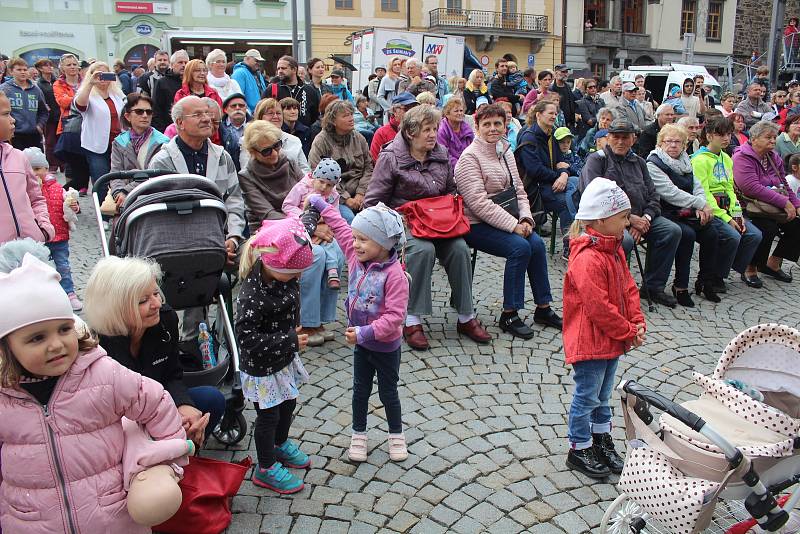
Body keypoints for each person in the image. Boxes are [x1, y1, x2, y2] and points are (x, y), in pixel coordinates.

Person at [0, 247, 189, 533]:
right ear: (8, 347)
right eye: (37, 337)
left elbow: (154, 399)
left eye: (64, 329)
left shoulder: (101, 372)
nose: (56, 344)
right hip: (33, 519)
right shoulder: (5, 397)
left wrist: (162, 461)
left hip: (110, 516)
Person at [365, 105, 491, 350]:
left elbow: (451, 188)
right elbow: (374, 201)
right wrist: (396, 219)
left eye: (434, 128)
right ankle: (412, 319)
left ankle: (466, 316)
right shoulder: (391, 157)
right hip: (405, 222)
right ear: (411, 133)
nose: (433, 134)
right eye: (427, 130)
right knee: (422, 250)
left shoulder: (440, 153)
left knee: (459, 249)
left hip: (439, 223)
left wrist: (450, 209)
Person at [307, 195, 410, 462]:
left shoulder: (395, 275)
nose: (355, 244)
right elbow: (340, 226)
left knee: (389, 392)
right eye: (355, 238)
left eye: (363, 239)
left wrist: (364, 332)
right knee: (360, 391)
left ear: (384, 244)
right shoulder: (354, 257)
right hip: (362, 346)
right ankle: (358, 435)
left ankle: (396, 435)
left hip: (385, 346)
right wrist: (320, 204)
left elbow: (395, 317)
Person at [85, 256, 225, 449]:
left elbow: (172, 374)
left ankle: (184, 458)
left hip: (159, 402)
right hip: (121, 423)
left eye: (156, 293)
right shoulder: (96, 346)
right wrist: (165, 419)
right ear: (116, 308)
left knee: (211, 399)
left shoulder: (165, 321)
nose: (157, 304)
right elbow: (105, 412)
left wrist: (183, 405)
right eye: (143, 300)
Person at [456, 103, 562, 339]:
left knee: (536, 244)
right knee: (520, 247)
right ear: (477, 126)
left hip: (509, 217)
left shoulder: (505, 151)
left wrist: (525, 218)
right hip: (475, 224)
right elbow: (478, 204)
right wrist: (513, 226)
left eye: (497, 124)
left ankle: (543, 307)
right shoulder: (469, 158)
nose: (493, 129)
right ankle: (509, 313)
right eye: (487, 124)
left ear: (505, 126)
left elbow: (520, 192)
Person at [562, 178, 644, 478]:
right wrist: (627, 330)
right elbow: (599, 308)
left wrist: (637, 321)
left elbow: (628, 287)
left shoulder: (615, 249)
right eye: (623, 217)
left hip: (611, 339)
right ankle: (579, 447)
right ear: (601, 219)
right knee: (587, 395)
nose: (627, 222)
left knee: (603, 394)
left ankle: (600, 439)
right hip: (591, 341)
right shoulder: (587, 258)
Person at [235, 216, 315, 494]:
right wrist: (289, 338)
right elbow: (246, 339)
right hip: (262, 367)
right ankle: (265, 467)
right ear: (271, 263)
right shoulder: (251, 296)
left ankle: (280, 444)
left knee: (289, 404)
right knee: (268, 416)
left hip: (282, 359)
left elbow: (304, 225)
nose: (298, 278)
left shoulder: (282, 276)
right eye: (294, 273)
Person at [148, 96, 246, 319]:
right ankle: (194, 342)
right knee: (196, 272)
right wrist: (211, 248)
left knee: (257, 260)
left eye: (208, 113)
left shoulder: (222, 156)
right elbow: (162, 216)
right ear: (180, 123)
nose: (207, 119)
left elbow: (234, 201)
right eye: (198, 115)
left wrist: (232, 238)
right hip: (184, 245)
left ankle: (237, 325)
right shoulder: (162, 162)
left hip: (223, 239)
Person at [580, 118, 682, 308]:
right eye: (616, 137)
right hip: (608, 221)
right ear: (608, 138)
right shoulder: (597, 160)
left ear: (633, 139)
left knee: (671, 231)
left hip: (642, 218)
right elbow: (593, 199)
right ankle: (613, 289)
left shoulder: (639, 163)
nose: (620, 141)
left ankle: (653, 287)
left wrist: (646, 218)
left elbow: (653, 196)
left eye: (625, 137)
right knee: (624, 240)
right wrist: (628, 220)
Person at [646, 124, 720, 306]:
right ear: (660, 143)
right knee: (687, 234)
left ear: (685, 145)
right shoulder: (653, 163)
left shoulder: (686, 161)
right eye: (668, 141)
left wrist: (702, 206)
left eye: (677, 142)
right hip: (665, 211)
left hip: (688, 211)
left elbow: (698, 187)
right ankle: (680, 286)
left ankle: (705, 281)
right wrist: (700, 204)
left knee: (711, 233)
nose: (672, 145)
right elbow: (670, 193)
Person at [691, 115, 763, 290]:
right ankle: (716, 275)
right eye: (720, 134)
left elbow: (730, 189)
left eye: (728, 134)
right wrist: (726, 218)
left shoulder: (726, 158)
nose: (726, 138)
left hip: (728, 207)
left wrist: (737, 214)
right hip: (710, 208)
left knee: (754, 235)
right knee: (732, 236)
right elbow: (704, 193)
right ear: (709, 136)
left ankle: (726, 267)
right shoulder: (699, 160)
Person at [733, 120, 800, 283]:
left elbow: (783, 183)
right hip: (749, 206)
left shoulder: (772, 156)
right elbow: (751, 187)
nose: (772, 140)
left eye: (774, 137)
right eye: (768, 137)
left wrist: (796, 205)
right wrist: (785, 203)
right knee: (767, 228)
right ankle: (751, 267)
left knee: (797, 225)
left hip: (772, 205)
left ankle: (773, 263)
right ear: (754, 138)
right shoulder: (741, 156)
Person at [517, 100, 579, 257]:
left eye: (556, 113)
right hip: (534, 189)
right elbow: (534, 170)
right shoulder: (529, 137)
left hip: (551, 183)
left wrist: (564, 174)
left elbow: (563, 163)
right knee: (569, 200)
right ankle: (570, 246)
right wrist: (560, 174)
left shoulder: (552, 134)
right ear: (538, 114)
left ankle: (577, 240)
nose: (554, 116)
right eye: (550, 113)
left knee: (576, 184)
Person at [23, 146, 81, 310]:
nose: (34, 174)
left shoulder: (57, 188)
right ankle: (45, 297)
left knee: (63, 265)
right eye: (30, 170)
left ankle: (69, 293)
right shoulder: (25, 190)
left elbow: (68, 205)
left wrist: (74, 207)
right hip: (37, 237)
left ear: (46, 168)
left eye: (37, 169)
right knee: (40, 268)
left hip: (59, 236)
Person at [282, 158, 346, 290]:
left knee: (331, 243)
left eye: (329, 185)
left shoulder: (333, 195)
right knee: (318, 251)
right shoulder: (302, 187)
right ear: (314, 176)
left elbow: (335, 214)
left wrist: (327, 220)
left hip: (324, 227)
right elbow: (287, 205)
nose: (324, 187)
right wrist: (303, 216)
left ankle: (332, 270)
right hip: (302, 226)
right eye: (321, 182)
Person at [308, 100, 373, 224]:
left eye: (351, 114)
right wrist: (345, 198)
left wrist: (361, 193)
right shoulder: (321, 142)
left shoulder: (359, 138)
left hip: (362, 192)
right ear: (333, 121)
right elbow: (318, 175)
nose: (351, 119)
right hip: (333, 196)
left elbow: (369, 167)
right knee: (350, 222)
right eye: (345, 116)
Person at [74, 61, 125, 202]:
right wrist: (90, 83)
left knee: (119, 179)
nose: (103, 79)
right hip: (96, 145)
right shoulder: (87, 94)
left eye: (106, 74)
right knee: (101, 179)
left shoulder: (117, 93)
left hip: (118, 143)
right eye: (99, 75)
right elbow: (80, 105)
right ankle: (103, 214)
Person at [109, 94, 170, 203]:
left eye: (149, 112)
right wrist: (118, 193)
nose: (145, 115)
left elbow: (154, 176)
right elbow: (115, 172)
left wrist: (126, 190)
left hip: (152, 197)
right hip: (123, 198)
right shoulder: (118, 142)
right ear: (127, 116)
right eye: (139, 111)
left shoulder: (163, 142)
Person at [52, 53, 91, 194]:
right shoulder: (58, 84)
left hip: (88, 125)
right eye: (68, 64)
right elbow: (63, 102)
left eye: (74, 64)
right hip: (69, 128)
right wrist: (83, 97)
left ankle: (79, 190)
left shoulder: (86, 81)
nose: (72, 67)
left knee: (86, 163)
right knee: (72, 166)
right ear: (62, 68)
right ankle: (67, 197)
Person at [242, 98, 310, 174]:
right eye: (270, 113)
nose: (275, 116)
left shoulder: (294, 140)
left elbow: (305, 169)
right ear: (260, 117)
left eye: (278, 113)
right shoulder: (248, 141)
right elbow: (246, 172)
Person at [0, 57, 47, 150]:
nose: (23, 72)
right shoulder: (4, 89)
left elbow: (44, 111)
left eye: (25, 69)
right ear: (11, 71)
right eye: (19, 70)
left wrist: (39, 126)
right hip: (14, 135)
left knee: (36, 163)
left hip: (33, 135)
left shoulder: (36, 90)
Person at [265, 56, 318, 126]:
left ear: (294, 69)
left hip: (304, 134)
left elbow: (315, 116)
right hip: (278, 133)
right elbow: (263, 113)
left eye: (283, 68)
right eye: (278, 68)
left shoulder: (309, 90)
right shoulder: (272, 89)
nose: (280, 71)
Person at [370, 92, 416, 161]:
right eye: (406, 109)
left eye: (414, 109)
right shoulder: (382, 133)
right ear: (394, 111)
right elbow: (375, 161)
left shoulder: (419, 131)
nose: (411, 113)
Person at [151, 50, 188, 132]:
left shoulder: (191, 82)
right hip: (169, 130)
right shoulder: (162, 83)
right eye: (180, 62)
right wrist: (162, 131)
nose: (183, 65)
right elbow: (156, 110)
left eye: (186, 62)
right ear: (172, 65)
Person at [34, 58, 61, 172]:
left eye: (50, 65)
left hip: (60, 115)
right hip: (48, 117)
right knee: (50, 142)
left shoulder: (57, 81)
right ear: (40, 69)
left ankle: (63, 163)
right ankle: (53, 165)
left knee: (61, 140)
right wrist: (44, 105)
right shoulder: (39, 84)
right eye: (46, 65)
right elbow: (39, 99)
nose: (49, 67)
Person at [436, 97, 473, 169]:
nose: (460, 113)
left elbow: (473, 148)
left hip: (469, 164)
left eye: (461, 111)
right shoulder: (442, 131)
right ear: (447, 114)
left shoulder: (467, 128)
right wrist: (461, 166)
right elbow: (444, 154)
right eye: (456, 111)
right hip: (451, 168)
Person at [219, 92, 250, 172]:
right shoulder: (218, 128)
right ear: (225, 110)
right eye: (233, 106)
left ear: (246, 108)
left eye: (241, 106)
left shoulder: (256, 125)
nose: (237, 108)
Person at [231, 49, 267, 113]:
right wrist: (248, 113)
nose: (259, 63)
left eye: (260, 61)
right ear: (247, 59)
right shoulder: (239, 73)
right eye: (256, 60)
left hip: (261, 112)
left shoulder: (258, 73)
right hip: (250, 114)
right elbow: (237, 96)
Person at [550, 64, 578, 128]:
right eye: (563, 72)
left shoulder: (568, 87)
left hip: (569, 123)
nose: (565, 74)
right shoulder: (551, 88)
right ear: (556, 73)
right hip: (556, 123)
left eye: (566, 72)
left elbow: (571, 104)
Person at [376, 57, 403, 121]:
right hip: (390, 113)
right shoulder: (386, 79)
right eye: (395, 65)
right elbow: (379, 96)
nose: (397, 66)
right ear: (391, 66)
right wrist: (390, 108)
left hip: (403, 111)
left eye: (399, 64)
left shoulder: (404, 79)